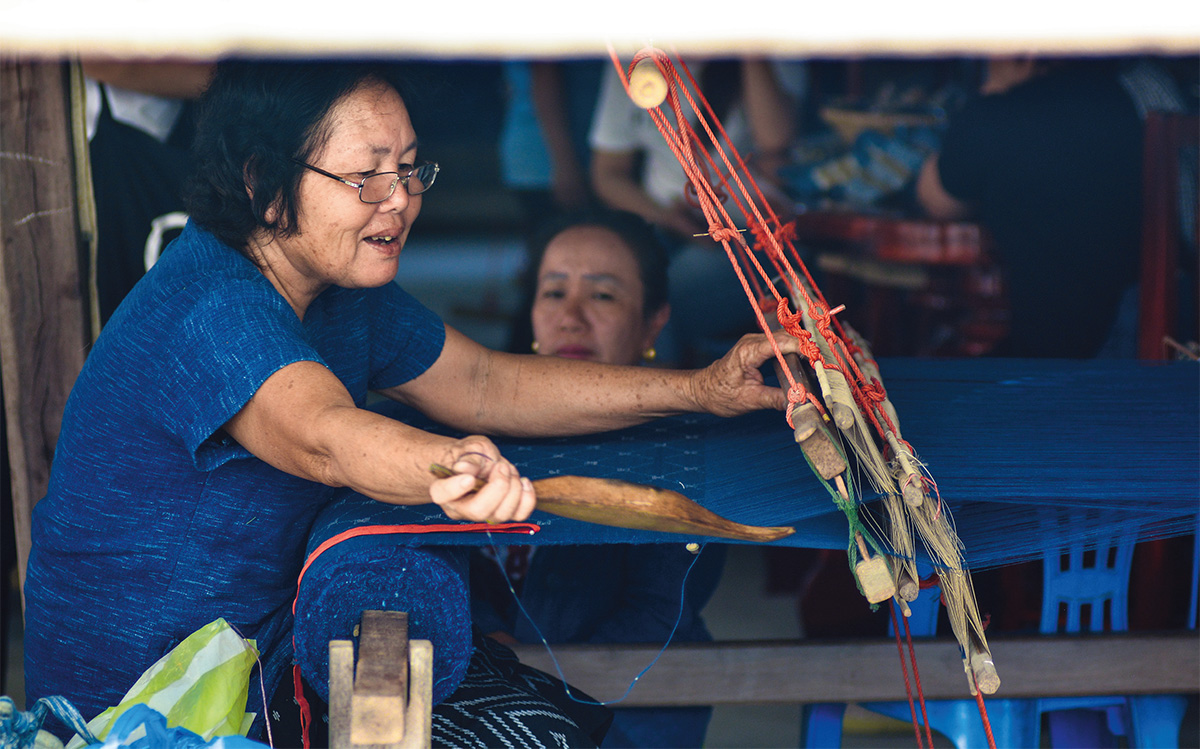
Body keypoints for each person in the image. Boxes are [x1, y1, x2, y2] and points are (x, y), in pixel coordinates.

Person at [22, 60, 801, 747]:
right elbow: (327, 435)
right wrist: (453, 464)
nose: (398, 201)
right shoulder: (212, 307)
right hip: (140, 708)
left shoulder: (335, 287)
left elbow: (488, 383)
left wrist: (703, 389)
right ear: (264, 185)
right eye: (367, 177)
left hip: (257, 663)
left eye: (409, 169)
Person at [475, 208, 727, 748]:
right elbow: (442, 559)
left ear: (654, 321)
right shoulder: (482, 429)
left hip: (628, 714)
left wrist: (525, 689)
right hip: (488, 703)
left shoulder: (683, 454)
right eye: (553, 291)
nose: (571, 317)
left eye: (603, 295)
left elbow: (660, 608)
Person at [915, 56, 1151, 358]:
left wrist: (992, 95)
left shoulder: (1000, 115)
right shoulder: (1138, 92)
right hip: (1158, 345)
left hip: (1062, 359)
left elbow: (935, 200)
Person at [589, 56, 806, 366]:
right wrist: (666, 218)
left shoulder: (767, 52)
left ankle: (664, 403)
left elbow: (775, 140)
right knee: (615, 287)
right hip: (661, 224)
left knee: (658, 297)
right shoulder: (633, 58)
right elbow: (608, 174)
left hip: (749, 233)